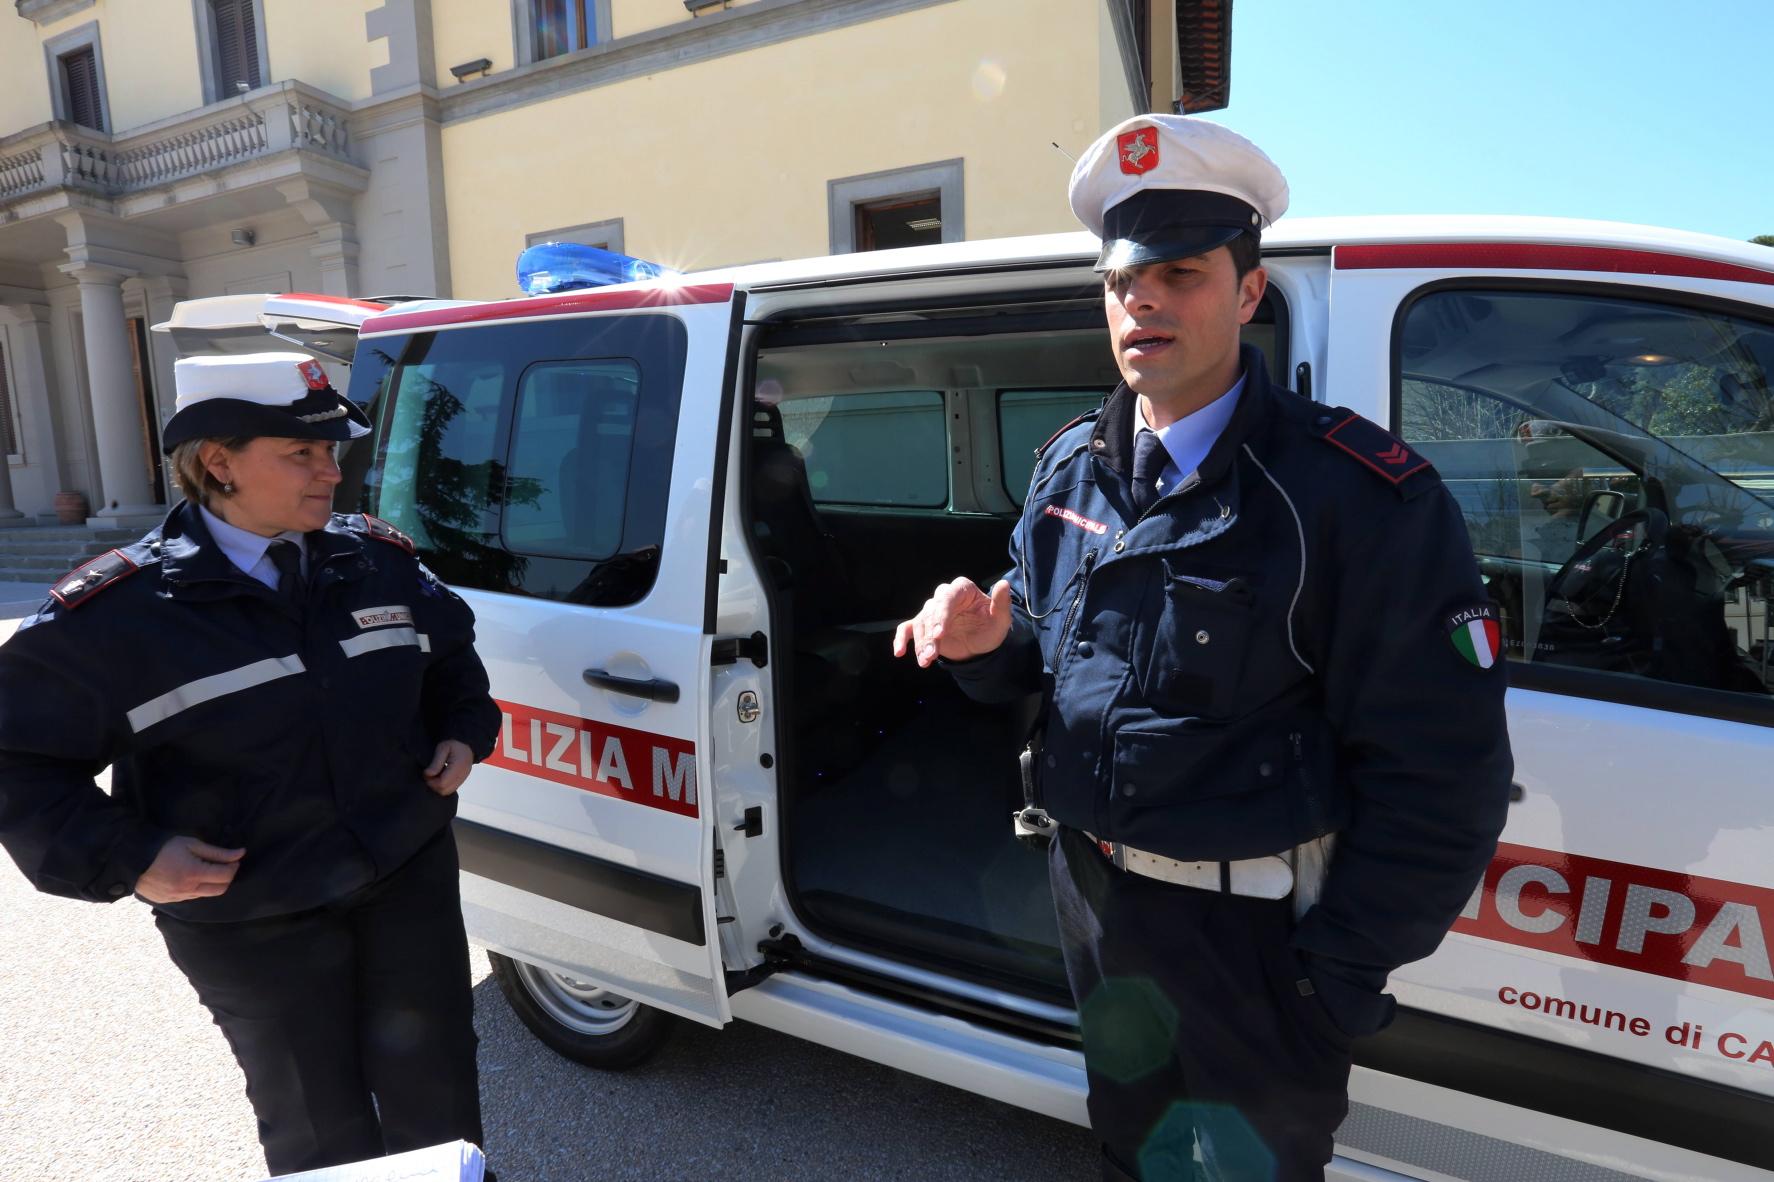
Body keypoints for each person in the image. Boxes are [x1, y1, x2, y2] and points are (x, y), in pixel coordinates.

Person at [893, 116, 1513, 1181]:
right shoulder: (1067, 474)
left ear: (1247, 293)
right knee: (1131, 1155)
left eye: (1179, 273)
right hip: (1094, 906)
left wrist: (1331, 978)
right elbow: (1049, 664)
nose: (1142, 301)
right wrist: (987, 645)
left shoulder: (1352, 498)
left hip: (1253, 948)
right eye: (1122, 280)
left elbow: (1444, 775)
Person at [0, 353, 501, 1177]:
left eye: (332, 453)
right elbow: (19, 765)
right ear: (217, 463)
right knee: (318, 1125)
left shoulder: (375, 561)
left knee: (439, 1097)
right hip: (254, 916)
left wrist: (462, 728)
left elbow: (449, 659)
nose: (329, 474)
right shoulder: (115, 618)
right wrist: (129, 857)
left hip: (403, 875)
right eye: (299, 454)